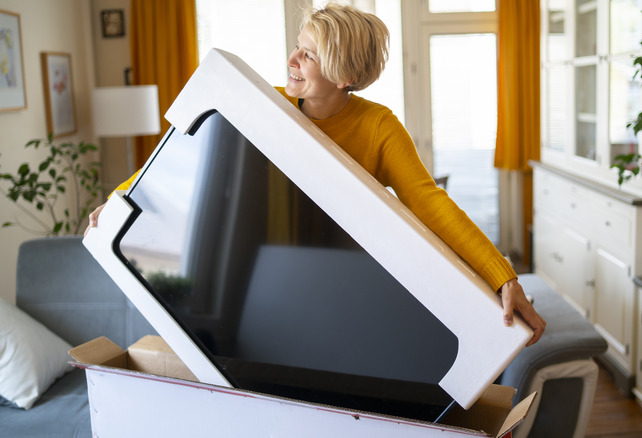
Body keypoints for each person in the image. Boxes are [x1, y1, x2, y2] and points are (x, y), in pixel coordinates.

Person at [86, 3, 545, 346]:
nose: (292, 60)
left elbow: (429, 201)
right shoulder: (268, 106)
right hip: (263, 272)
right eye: (297, 47)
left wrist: (502, 276)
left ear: (344, 74)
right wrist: (121, 196)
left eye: (309, 55)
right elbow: (185, 151)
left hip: (345, 285)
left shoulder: (378, 125)